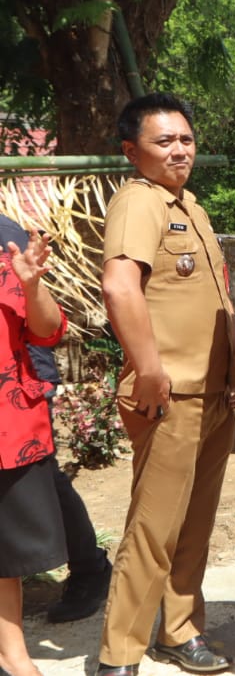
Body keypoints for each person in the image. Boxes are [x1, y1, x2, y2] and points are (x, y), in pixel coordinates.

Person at [97, 93, 235, 676]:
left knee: (194, 527)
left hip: (209, 394)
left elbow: (216, 298)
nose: (180, 149)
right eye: (165, 141)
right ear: (131, 151)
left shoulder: (191, 207)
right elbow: (119, 287)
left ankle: (180, 632)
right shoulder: (139, 201)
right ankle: (120, 654)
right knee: (154, 528)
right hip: (169, 394)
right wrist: (149, 369)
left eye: (185, 139)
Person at [0, 215, 113, 623]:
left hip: (16, 380)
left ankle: (89, 568)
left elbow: (43, 327)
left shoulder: (4, 236)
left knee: (39, 477)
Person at [0, 227, 68, 676]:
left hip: (6, 425)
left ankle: (14, 655)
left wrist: (30, 283)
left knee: (5, 550)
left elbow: (47, 332)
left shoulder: (8, 249)